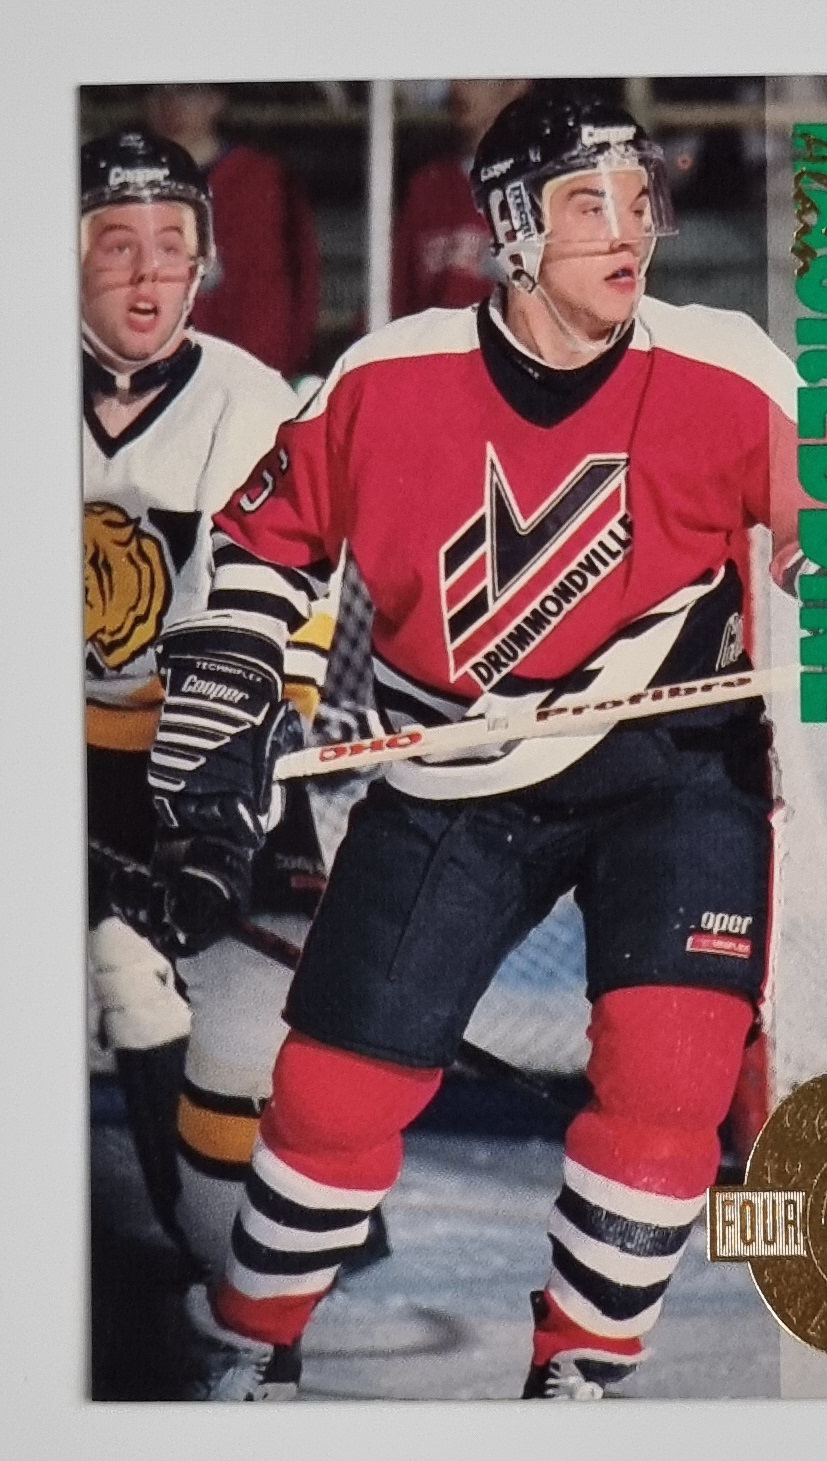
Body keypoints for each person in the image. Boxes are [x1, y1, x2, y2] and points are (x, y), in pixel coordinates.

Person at [145, 86, 827, 1400]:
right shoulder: (388, 376)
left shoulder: (722, 362)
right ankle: (251, 1338)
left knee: (672, 1081)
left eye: (639, 199)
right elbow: (261, 547)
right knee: (335, 1093)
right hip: (451, 769)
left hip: (676, 765)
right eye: (589, 204)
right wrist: (229, 695)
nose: (627, 229)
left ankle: (577, 1371)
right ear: (514, 230)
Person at [82, 127, 339, 1267]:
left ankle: (242, 1273)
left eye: (172, 245)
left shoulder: (248, 400)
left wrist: (215, 814)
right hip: (63, 751)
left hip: (211, 749)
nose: (148, 274)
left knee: (244, 1017)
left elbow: (271, 611)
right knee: (126, 977)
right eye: (117, 245)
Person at [145, 85, 320, 377]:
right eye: (158, 91)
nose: (170, 104)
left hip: (250, 366)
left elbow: (301, 279)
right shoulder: (130, 187)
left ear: (216, 100)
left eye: (187, 92)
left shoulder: (263, 179)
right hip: (159, 373)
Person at [390, 78, 529, 316]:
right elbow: (395, 295)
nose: (458, 87)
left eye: (474, 77)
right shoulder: (428, 185)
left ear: (517, 83)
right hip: (436, 337)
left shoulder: (539, 182)